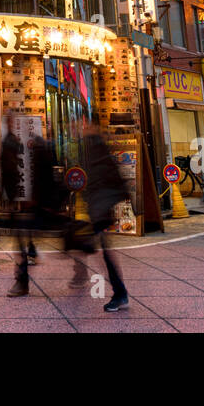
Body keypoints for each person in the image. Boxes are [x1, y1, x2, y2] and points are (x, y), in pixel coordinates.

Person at [68, 117, 131, 312]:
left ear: (92, 126)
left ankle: (119, 293)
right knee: (98, 249)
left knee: (96, 248)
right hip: (99, 206)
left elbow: (98, 176)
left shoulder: (93, 146)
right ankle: (84, 276)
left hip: (100, 207)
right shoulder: (94, 145)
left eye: (83, 124)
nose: (81, 128)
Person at [0, 119, 37, 291]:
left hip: (9, 195)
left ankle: (28, 255)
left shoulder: (8, 141)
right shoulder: (9, 143)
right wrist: (9, 199)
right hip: (10, 196)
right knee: (8, 230)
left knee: (10, 230)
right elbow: (10, 171)